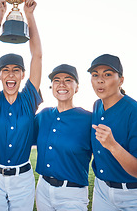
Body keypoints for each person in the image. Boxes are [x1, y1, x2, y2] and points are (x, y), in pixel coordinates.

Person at [0, 0, 43, 210]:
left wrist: (29, 16)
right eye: (5, 70)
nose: (11, 74)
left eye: (16, 70)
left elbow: (38, 57)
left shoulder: (28, 99)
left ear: (23, 75)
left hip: (22, 180)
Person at [87, 54, 137, 210]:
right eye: (95, 75)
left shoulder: (135, 112)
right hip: (102, 191)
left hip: (136, 196)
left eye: (107, 74)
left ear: (121, 80)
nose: (100, 80)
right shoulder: (96, 106)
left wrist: (112, 145)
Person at [34, 64, 92, 211]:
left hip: (72, 194)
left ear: (77, 87)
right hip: (43, 189)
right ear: (52, 86)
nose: (61, 84)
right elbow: (21, 137)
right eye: (56, 80)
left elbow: (106, 150)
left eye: (68, 80)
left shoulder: (88, 119)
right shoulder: (43, 115)